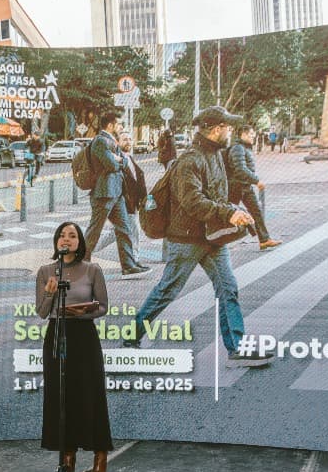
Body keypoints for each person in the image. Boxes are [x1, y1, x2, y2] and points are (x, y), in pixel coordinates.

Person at [123, 107, 275, 368]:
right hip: (186, 239)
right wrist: (228, 213)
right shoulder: (190, 161)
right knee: (167, 291)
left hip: (211, 236)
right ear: (216, 129)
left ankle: (237, 348)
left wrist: (234, 212)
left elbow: (216, 194)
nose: (231, 132)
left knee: (228, 287)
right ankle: (130, 338)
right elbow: (193, 202)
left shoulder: (215, 155)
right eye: (227, 127)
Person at [35, 222, 113, 472]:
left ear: (80, 242)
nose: (66, 239)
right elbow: (43, 312)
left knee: (89, 394)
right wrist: (49, 294)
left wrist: (84, 311)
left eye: (72, 235)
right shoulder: (46, 271)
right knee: (61, 396)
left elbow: (103, 306)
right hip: (57, 335)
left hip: (84, 336)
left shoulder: (92, 270)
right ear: (56, 241)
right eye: (62, 235)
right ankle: (67, 458)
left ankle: (100, 457)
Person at [83, 112, 148, 276]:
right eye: (118, 124)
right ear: (110, 126)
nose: (120, 127)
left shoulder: (111, 142)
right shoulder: (99, 141)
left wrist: (119, 159)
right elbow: (111, 165)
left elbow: (124, 161)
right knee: (94, 231)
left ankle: (128, 265)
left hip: (116, 193)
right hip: (104, 193)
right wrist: (118, 160)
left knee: (124, 229)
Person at [227, 125, 282, 251]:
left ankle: (264, 240)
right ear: (243, 135)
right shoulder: (238, 149)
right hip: (236, 186)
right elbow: (240, 169)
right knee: (228, 212)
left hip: (244, 186)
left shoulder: (243, 148)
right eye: (251, 134)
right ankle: (213, 240)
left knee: (256, 212)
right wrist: (256, 181)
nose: (253, 136)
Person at [117, 133, 150, 270]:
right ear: (118, 142)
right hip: (125, 204)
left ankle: (85, 248)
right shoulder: (118, 159)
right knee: (134, 232)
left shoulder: (130, 158)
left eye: (130, 139)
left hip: (133, 203)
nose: (128, 142)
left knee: (115, 233)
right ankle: (134, 260)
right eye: (125, 139)